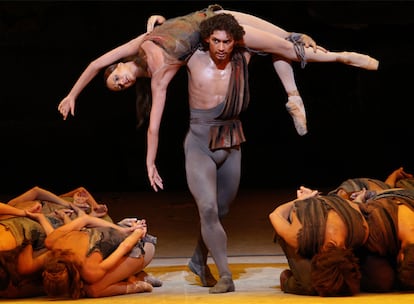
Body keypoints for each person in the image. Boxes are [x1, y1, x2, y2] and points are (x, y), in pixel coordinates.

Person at [56, 4, 379, 193]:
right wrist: (150, 161)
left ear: (119, 66)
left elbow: (95, 62)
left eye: (116, 78)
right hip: (217, 32)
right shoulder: (159, 77)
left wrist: (72, 94)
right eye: (120, 88)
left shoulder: (140, 41)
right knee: (280, 47)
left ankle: (308, 79)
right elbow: (154, 127)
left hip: (216, 16)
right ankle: (331, 62)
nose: (122, 81)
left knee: (283, 42)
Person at [21, 206, 157, 298]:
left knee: (93, 290)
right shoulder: (52, 241)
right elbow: (84, 220)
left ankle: (136, 282)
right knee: (90, 286)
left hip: (141, 246)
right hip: (117, 237)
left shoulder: (90, 271)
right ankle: (134, 276)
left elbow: (125, 247)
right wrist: (40, 217)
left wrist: (137, 232)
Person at [269, 186, 369, 296]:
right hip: (302, 222)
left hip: (333, 205)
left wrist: (359, 200)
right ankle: (288, 281)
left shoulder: (360, 233)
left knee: (340, 283)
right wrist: (298, 201)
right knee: (309, 286)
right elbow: (276, 215)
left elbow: (355, 207)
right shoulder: (300, 236)